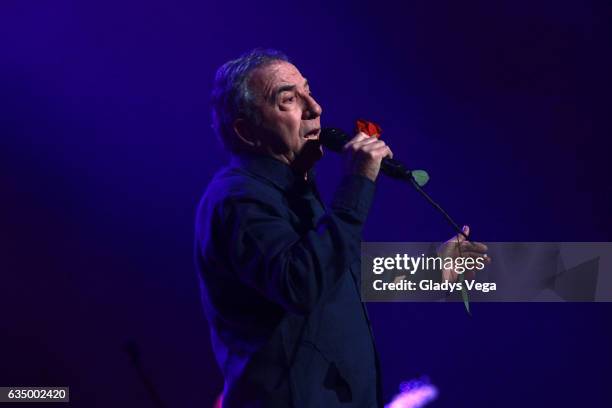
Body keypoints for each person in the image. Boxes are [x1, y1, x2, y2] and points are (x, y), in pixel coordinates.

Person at [195, 48, 488, 407]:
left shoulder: (292, 191)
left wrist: (429, 270)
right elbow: (299, 283)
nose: (315, 108)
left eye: (309, 91)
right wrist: (358, 182)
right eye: (289, 100)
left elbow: (337, 274)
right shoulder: (238, 200)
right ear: (247, 131)